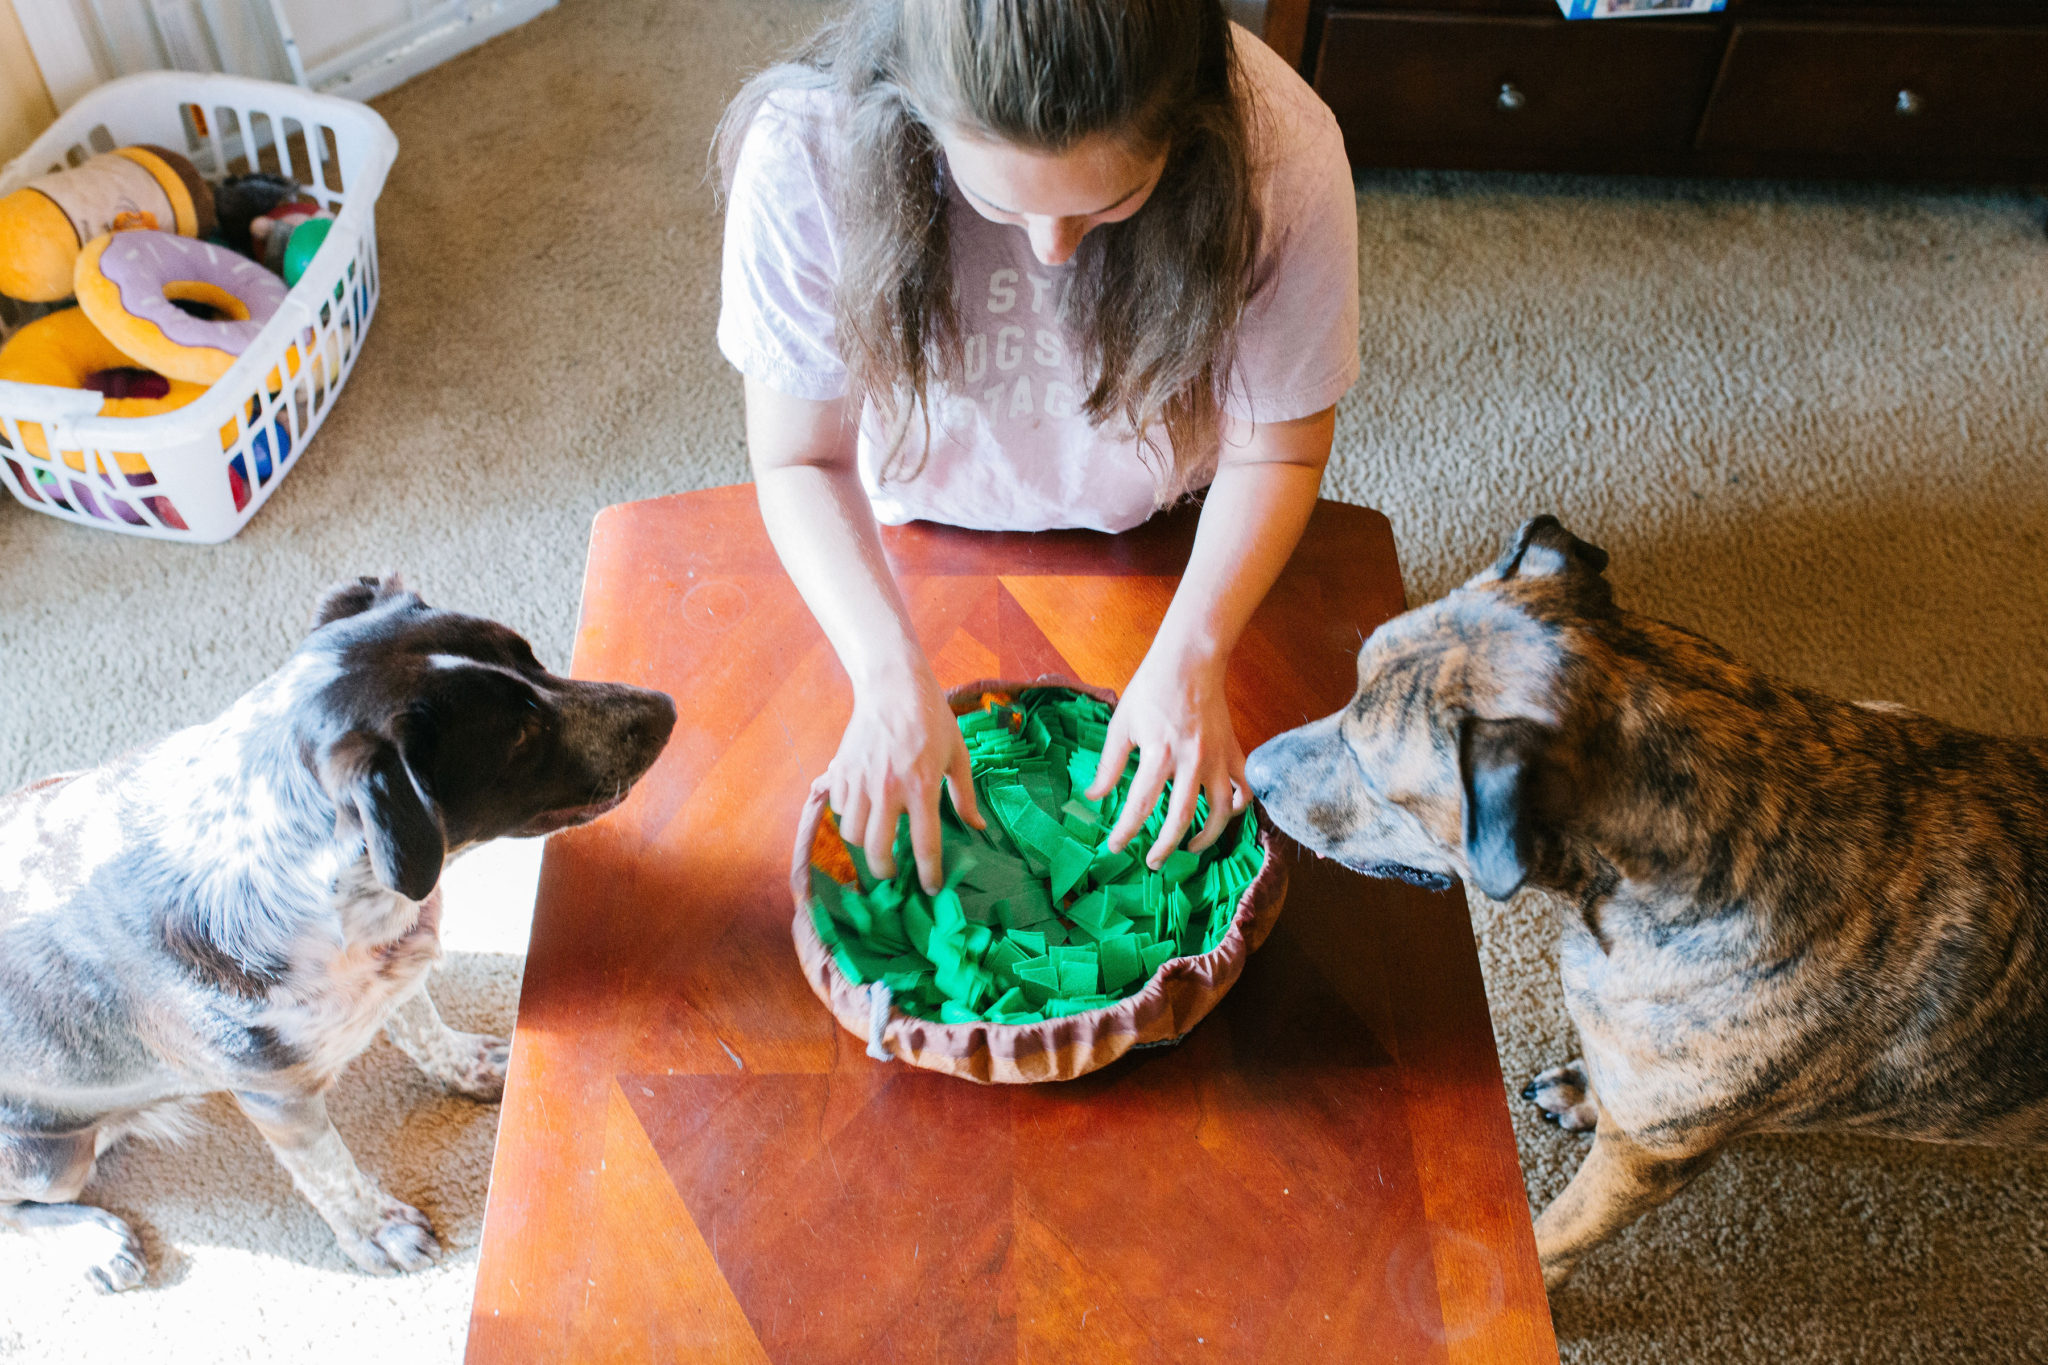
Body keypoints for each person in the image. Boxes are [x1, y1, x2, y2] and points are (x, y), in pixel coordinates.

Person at [714, 0, 1359, 895]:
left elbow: (1275, 454)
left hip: (1173, 541)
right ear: (914, 112)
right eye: (993, 200)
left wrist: (1196, 652)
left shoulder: (1284, 152)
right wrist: (885, 672)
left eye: (1113, 202)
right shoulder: (804, 147)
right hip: (893, 545)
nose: (1053, 253)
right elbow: (801, 458)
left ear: (1190, 124)